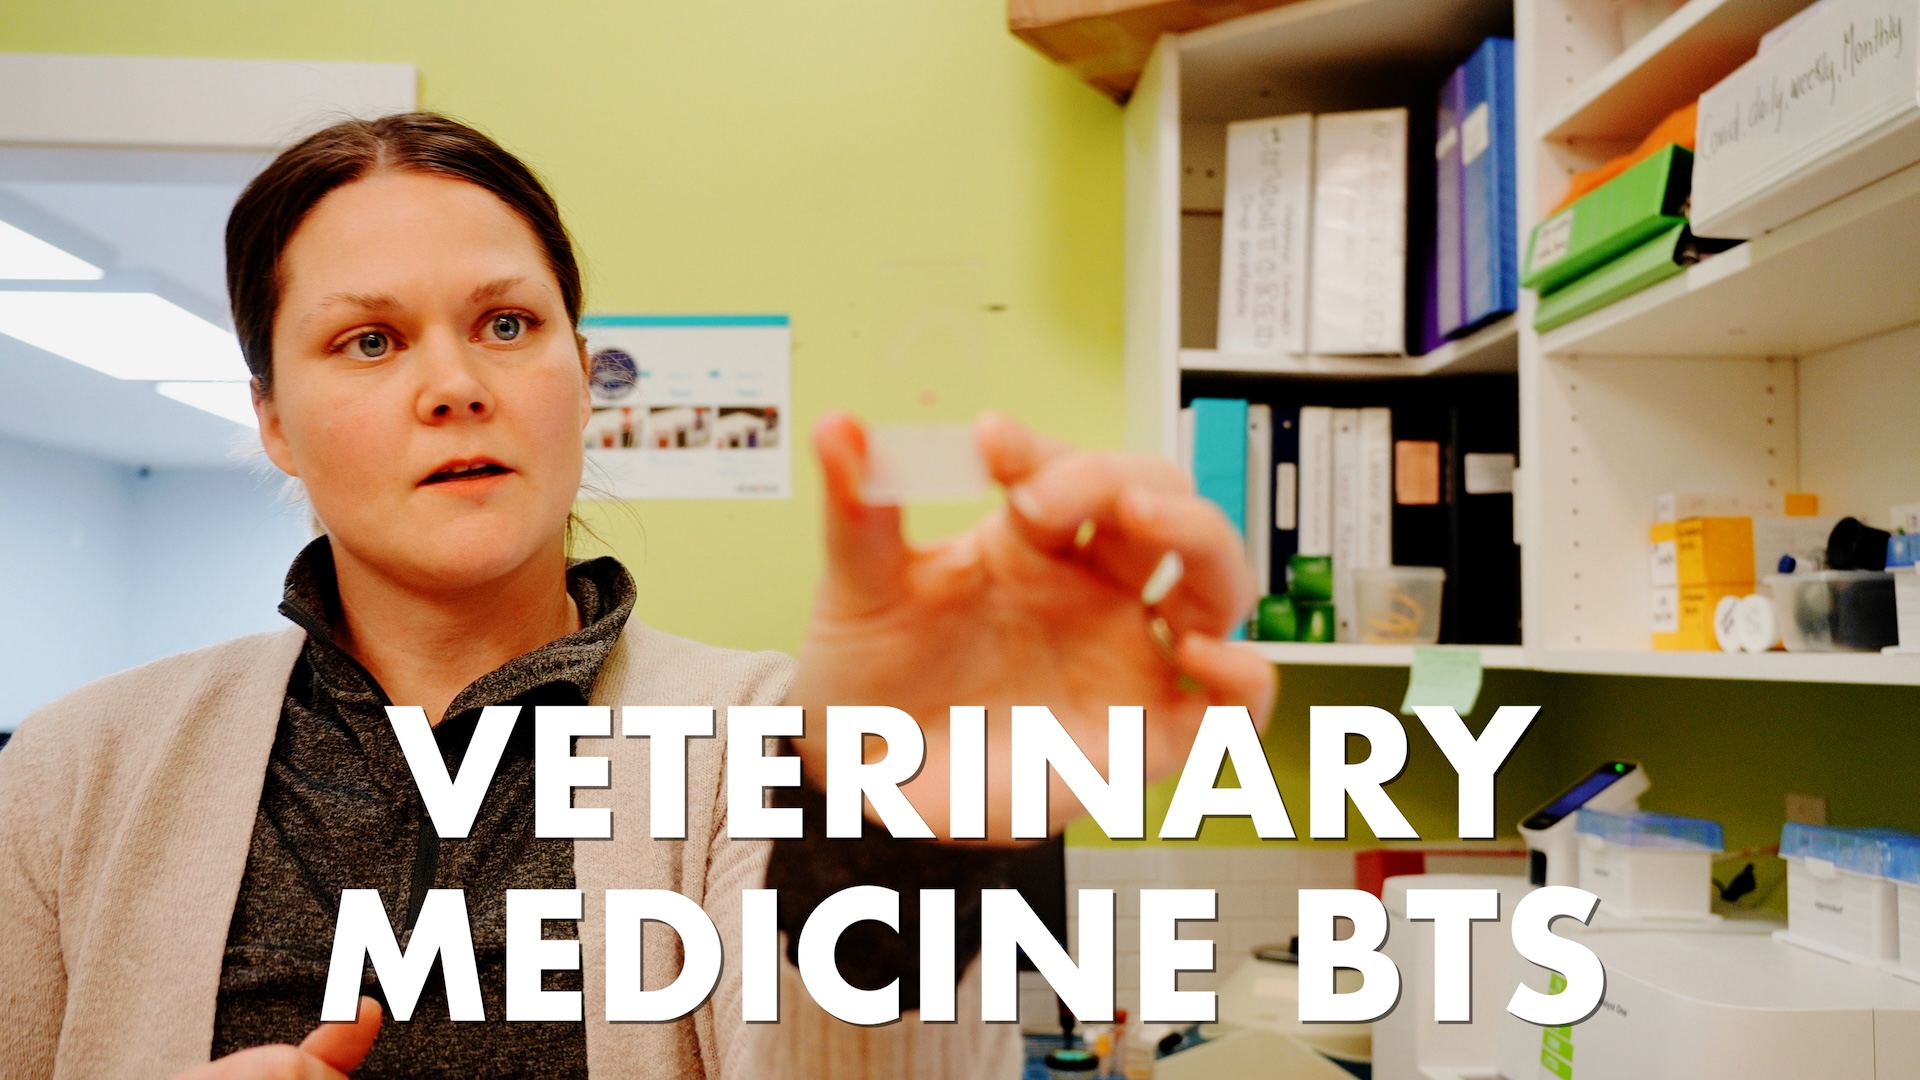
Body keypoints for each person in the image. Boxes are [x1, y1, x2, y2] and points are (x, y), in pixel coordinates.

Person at [0, 113, 1273, 1079]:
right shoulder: (72, 774)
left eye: (507, 325)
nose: (456, 384)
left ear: (583, 371)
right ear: (274, 419)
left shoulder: (780, 744)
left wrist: (915, 842)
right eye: (369, 341)